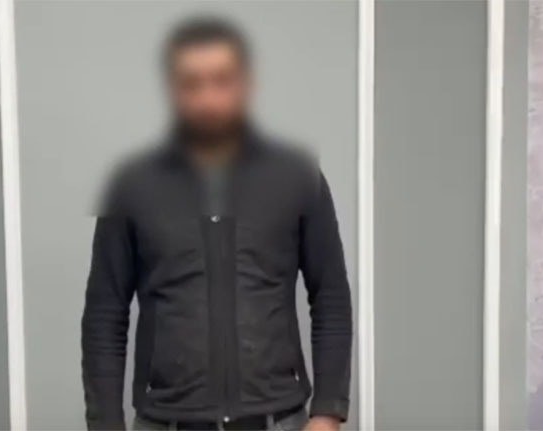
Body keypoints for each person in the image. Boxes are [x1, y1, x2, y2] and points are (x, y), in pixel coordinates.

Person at [81, 16, 352, 431]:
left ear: (246, 84)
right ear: (173, 89)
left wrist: (328, 412)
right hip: (165, 422)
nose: (207, 98)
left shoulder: (296, 178)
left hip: (278, 420)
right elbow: (105, 313)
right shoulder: (133, 186)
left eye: (222, 80)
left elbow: (330, 295)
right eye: (192, 83)